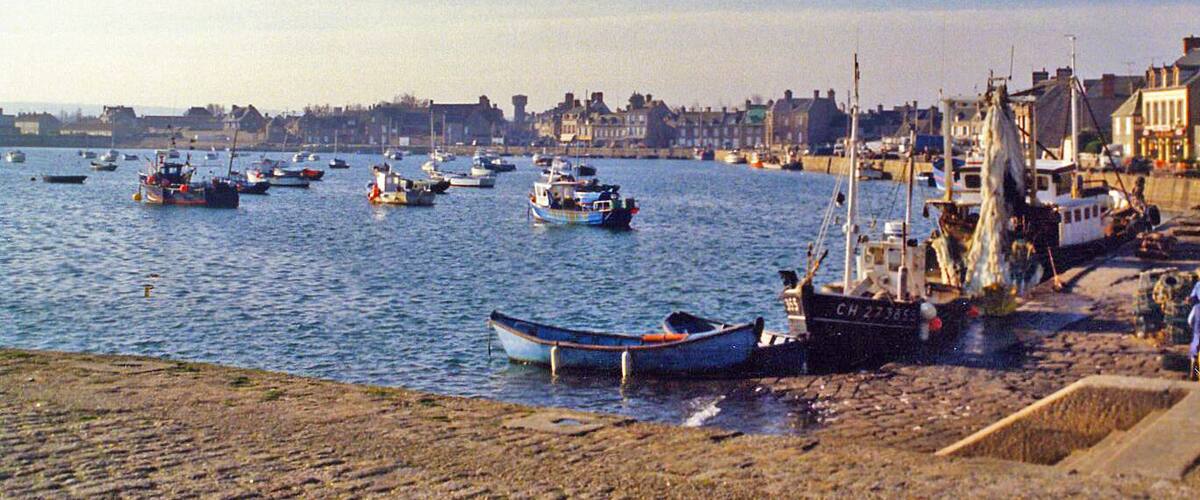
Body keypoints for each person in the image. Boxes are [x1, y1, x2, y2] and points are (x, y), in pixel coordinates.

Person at [1189, 280, 1200, 381]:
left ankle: (1195, 373)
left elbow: (1190, 320)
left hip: (1198, 335)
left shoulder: (1196, 308)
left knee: (1195, 354)